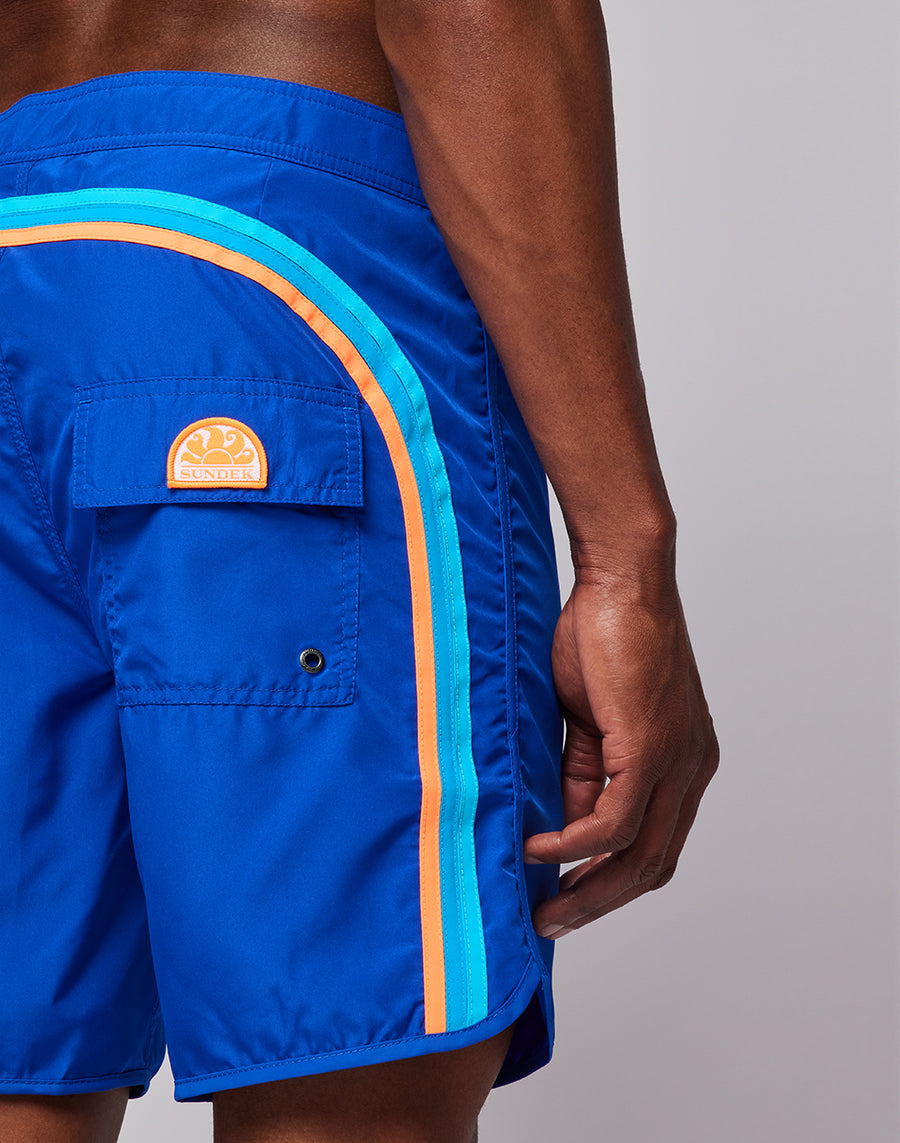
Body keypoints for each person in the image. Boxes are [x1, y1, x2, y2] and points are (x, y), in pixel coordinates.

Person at [0, 1, 719, 1140]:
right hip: (257, 261)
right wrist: (626, 561)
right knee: (338, 1089)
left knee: (22, 1071)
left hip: (25, 226)